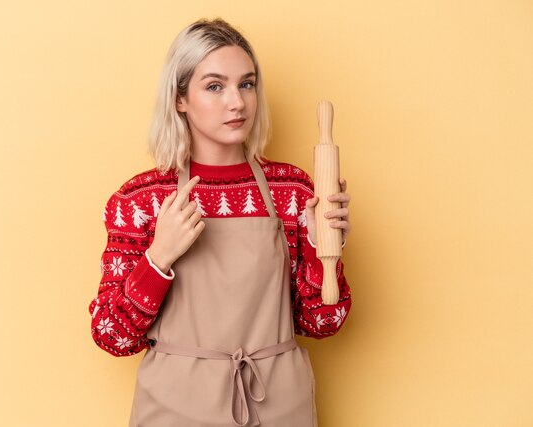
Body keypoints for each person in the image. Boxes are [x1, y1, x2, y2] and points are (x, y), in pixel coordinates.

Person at [89, 17, 352, 427]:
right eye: (215, 86)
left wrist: (324, 254)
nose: (238, 102)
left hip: (281, 406)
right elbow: (112, 336)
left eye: (246, 84)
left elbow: (322, 323)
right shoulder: (142, 200)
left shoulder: (293, 189)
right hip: (175, 411)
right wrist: (159, 257)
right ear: (180, 99)